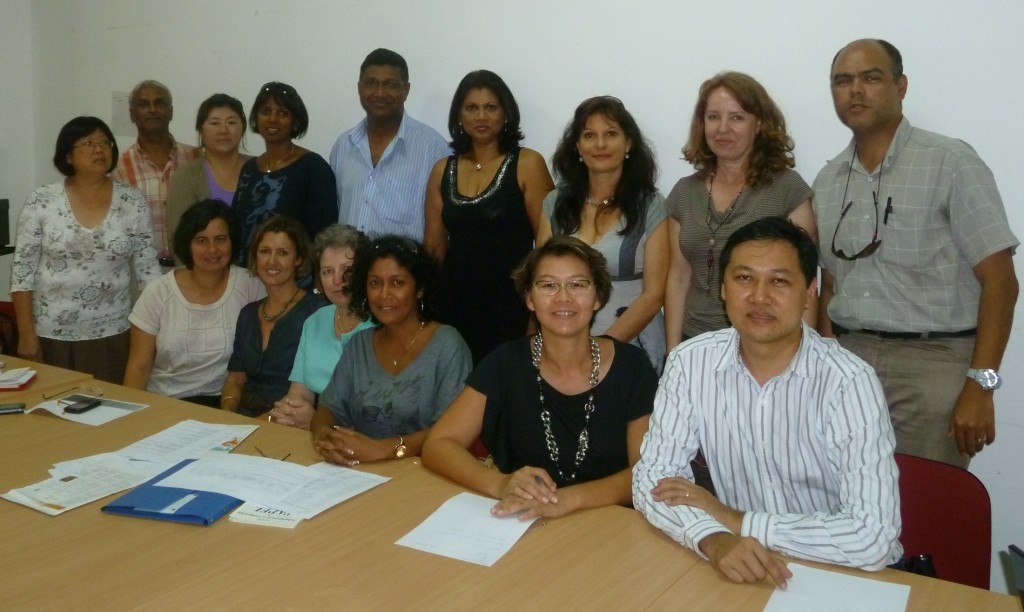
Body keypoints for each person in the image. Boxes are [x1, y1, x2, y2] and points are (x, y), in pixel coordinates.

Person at [633, 217, 903, 588]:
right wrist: (714, 538)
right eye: (744, 278)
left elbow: (872, 538)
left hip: (841, 574)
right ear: (723, 288)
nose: (759, 297)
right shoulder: (690, 362)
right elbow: (652, 478)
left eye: (779, 281)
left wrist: (735, 520)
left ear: (809, 293)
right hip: (744, 567)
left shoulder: (848, 382)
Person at [814, 39, 1019, 468]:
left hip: (934, 367)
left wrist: (981, 385)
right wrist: (824, 369)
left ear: (901, 86)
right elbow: (830, 285)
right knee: (847, 494)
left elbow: (1001, 281)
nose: (855, 90)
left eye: (871, 78)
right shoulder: (828, 180)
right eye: (843, 81)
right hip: (850, 364)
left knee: (927, 499)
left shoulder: (951, 162)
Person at [423, 237, 657, 520]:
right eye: (548, 285)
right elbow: (439, 444)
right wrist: (500, 484)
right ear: (529, 299)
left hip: (611, 524)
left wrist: (568, 500)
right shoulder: (505, 362)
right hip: (525, 521)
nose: (563, 297)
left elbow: (646, 471)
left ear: (598, 298)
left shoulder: (633, 367)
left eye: (577, 284)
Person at [665, 71, 816, 348]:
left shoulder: (787, 189)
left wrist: (803, 354)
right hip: (695, 341)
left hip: (765, 343)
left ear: (758, 124)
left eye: (736, 117)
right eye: (713, 117)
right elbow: (678, 278)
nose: (723, 129)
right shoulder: (684, 192)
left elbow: (804, 280)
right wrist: (673, 353)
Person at [11, 116, 160, 382]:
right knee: (53, 403)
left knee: (111, 403)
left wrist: (154, 330)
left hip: (114, 332)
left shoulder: (132, 201)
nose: (99, 149)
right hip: (52, 333)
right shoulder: (42, 201)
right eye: (89, 143)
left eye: (105, 142)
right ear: (68, 155)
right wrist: (26, 334)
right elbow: (22, 272)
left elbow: (148, 272)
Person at [425, 70, 555, 364]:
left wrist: (538, 311)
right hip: (455, 304)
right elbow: (433, 250)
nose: (481, 116)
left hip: (512, 304)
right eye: (471, 107)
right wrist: (425, 311)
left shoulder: (528, 163)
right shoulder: (442, 169)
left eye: (491, 107)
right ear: (459, 116)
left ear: (506, 113)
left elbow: (548, 246)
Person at [311, 235, 471, 464]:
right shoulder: (359, 344)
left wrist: (385, 449)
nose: (384, 294)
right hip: (363, 469)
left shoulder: (448, 345)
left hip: (427, 471)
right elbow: (328, 407)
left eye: (397, 283)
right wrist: (324, 436)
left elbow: (452, 432)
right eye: (375, 283)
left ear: (420, 288)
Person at [537, 96, 667, 371]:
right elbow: (543, 281)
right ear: (577, 146)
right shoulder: (554, 203)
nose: (600, 144)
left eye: (610, 134)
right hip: (564, 344)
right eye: (589, 135)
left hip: (633, 346)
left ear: (628, 143)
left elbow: (655, 293)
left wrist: (602, 347)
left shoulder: (651, 205)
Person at [124, 200, 264, 405]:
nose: (212, 249)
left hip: (229, 401)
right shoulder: (158, 292)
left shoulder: (251, 285)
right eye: (201, 240)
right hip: (167, 402)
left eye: (220, 239)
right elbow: (139, 367)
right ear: (187, 244)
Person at [331, 48, 450, 241]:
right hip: (349, 260)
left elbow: (441, 230)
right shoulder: (343, 146)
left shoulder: (432, 148)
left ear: (406, 90)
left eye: (390, 85)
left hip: (407, 260)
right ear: (360, 88)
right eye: (371, 83)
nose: (379, 93)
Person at [269, 225, 373, 429]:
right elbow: (298, 393)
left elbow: (380, 417)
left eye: (347, 271)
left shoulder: (381, 326)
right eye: (327, 271)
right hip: (314, 432)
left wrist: (317, 421)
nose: (337, 280)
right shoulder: (315, 320)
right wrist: (290, 412)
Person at [222, 216, 322, 417]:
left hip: (289, 422)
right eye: (264, 251)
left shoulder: (317, 313)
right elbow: (235, 379)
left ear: (299, 259)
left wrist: (258, 424)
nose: (272, 261)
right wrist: (227, 414)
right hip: (242, 418)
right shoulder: (248, 313)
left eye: (283, 253)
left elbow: (311, 393)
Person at [232, 82, 338, 263]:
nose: (272, 119)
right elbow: (237, 226)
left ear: (295, 121)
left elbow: (323, 237)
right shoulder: (249, 169)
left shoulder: (313, 168)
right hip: (245, 273)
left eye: (282, 113)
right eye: (266, 111)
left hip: (293, 274)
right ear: (256, 118)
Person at [112, 80, 199, 266]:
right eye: (143, 104)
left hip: (191, 269)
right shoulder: (117, 169)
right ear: (132, 114)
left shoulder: (196, 158)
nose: (152, 110)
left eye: (160, 103)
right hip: (142, 271)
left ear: (171, 112)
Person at [165, 93, 252, 257]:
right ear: (201, 130)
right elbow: (179, 239)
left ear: (242, 128)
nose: (224, 130)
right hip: (205, 269)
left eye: (231, 122)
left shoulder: (259, 168)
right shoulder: (186, 176)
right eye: (214, 123)